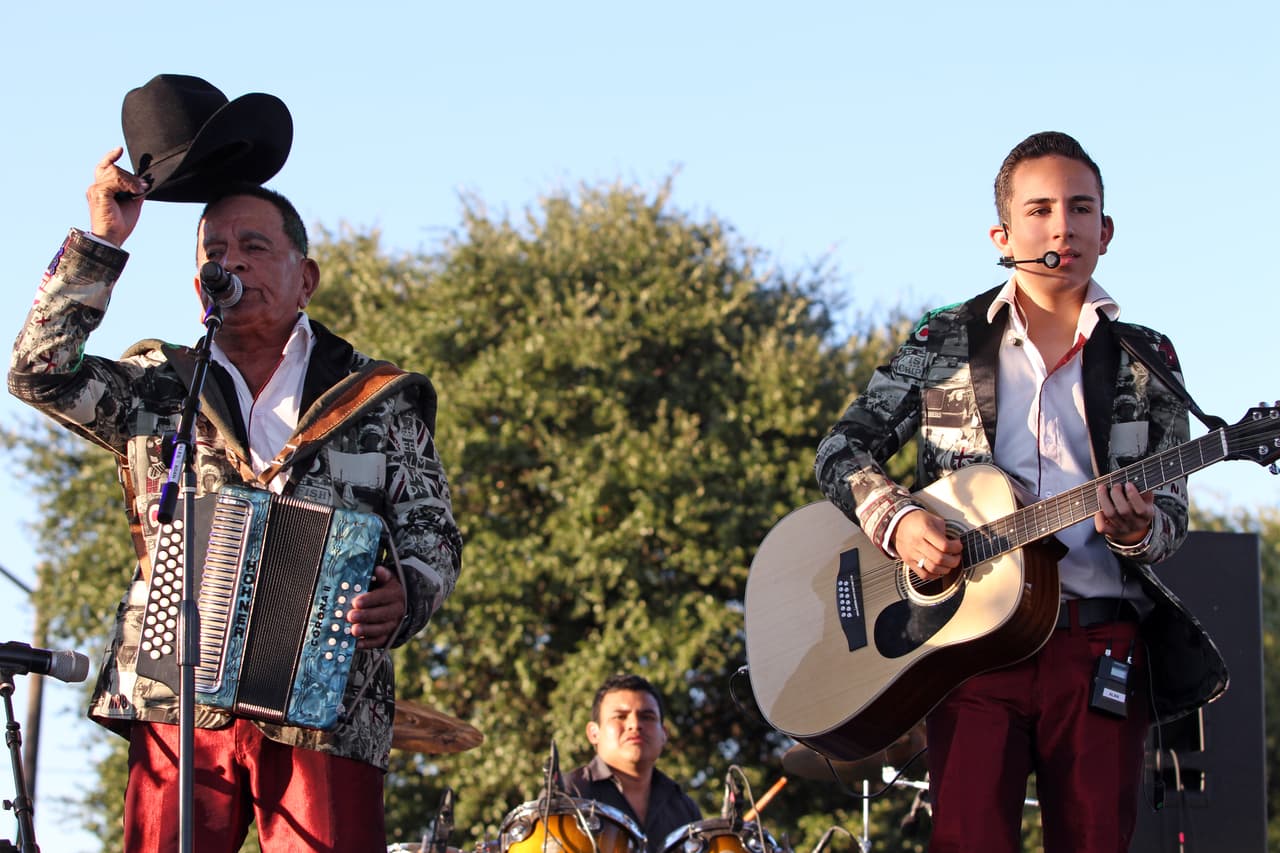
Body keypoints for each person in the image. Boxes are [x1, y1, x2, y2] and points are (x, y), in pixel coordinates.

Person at [9, 77, 462, 853]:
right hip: (177, 702)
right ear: (198, 284)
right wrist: (105, 240)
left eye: (255, 248)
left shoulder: (377, 398)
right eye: (215, 252)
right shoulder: (159, 386)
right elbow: (38, 372)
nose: (233, 263)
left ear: (305, 277)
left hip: (327, 710)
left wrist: (408, 595)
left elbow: (435, 536)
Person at [813, 131, 1225, 852]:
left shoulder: (1146, 357)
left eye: (1080, 207)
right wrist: (900, 520)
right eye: (1039, 209)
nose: (1061, 224)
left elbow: (1171, 520)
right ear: (1003, 235)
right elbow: (840, 449)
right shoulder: (945, 338)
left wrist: (1137, 533)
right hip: (971, 644)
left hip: (1100, 642)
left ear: (1107, 231)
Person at [564, 674, 702, 853]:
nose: (635, 725)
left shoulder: (684, 808)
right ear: (594, 733)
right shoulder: (569, 793)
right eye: (620, 717)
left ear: (664, 734)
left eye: (647, 717)